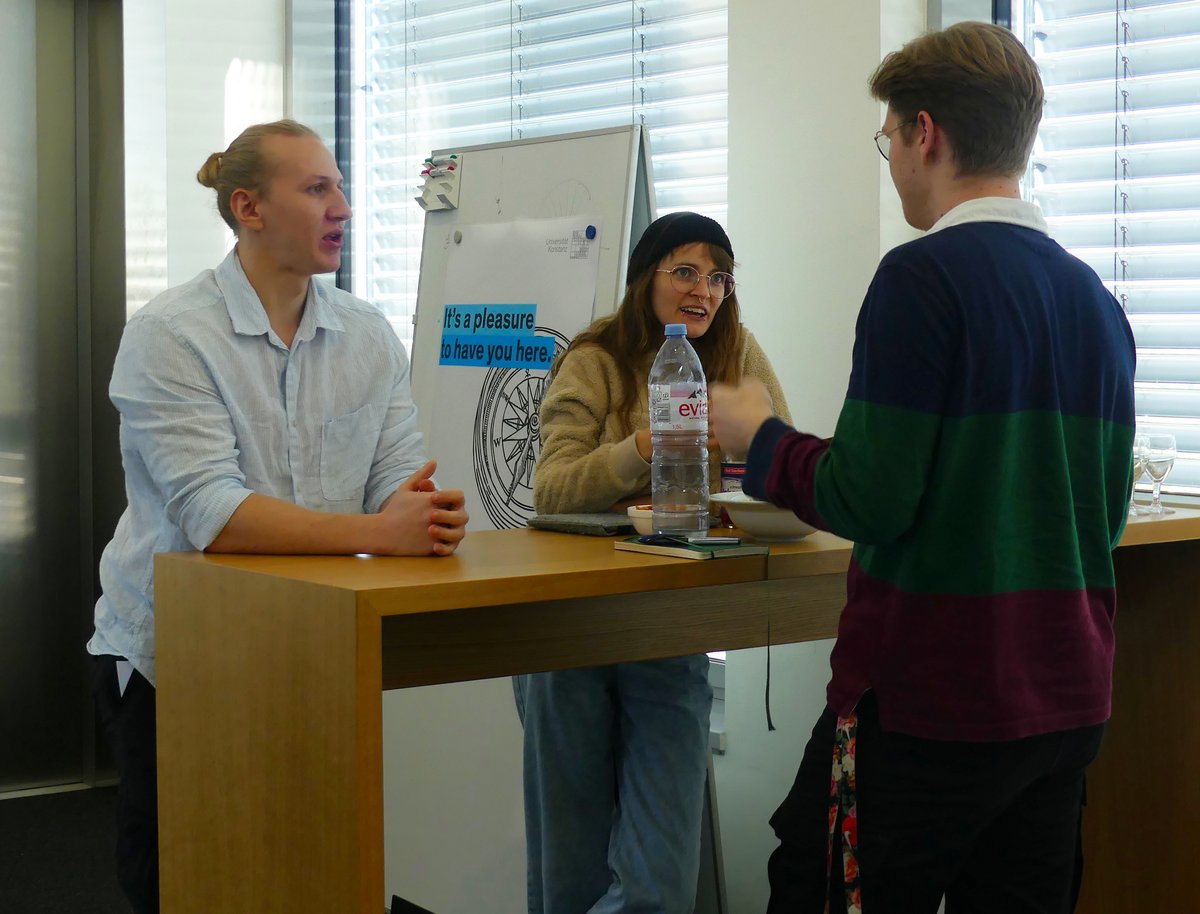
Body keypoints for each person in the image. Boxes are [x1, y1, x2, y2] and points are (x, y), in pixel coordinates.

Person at [710, 22, 1135, 914]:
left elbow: (870, 492)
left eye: (889, 138)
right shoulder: (1097, 303)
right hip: (1066, 705)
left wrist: (762, 439)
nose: (893, 159)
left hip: (933, 703)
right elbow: (1106, 512)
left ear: (925, 133)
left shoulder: (921, 279)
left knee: (815, 887)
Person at [86, 119, 468, 914]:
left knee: (313, 868)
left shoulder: (364, 332)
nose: (344, 208)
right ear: (248, 208)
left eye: (340, 186)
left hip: (314, 647)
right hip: (180, 658)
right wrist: (382, 533)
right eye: (317, 188)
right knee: (192, 884)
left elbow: (402, 480)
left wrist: (423, 515)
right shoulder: (169, 336)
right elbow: (214, 516)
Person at [519, 211, 791, 914]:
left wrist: (748, 474)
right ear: (647, 279)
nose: (705, 290)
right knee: (571, 867)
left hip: (668, 622)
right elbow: (552, 487)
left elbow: (781, 463)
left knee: (660, 883)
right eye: (686, 271)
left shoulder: (737, 355)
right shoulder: (595, 357)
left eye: (719, 277)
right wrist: (643, 445)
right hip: (570, 627)